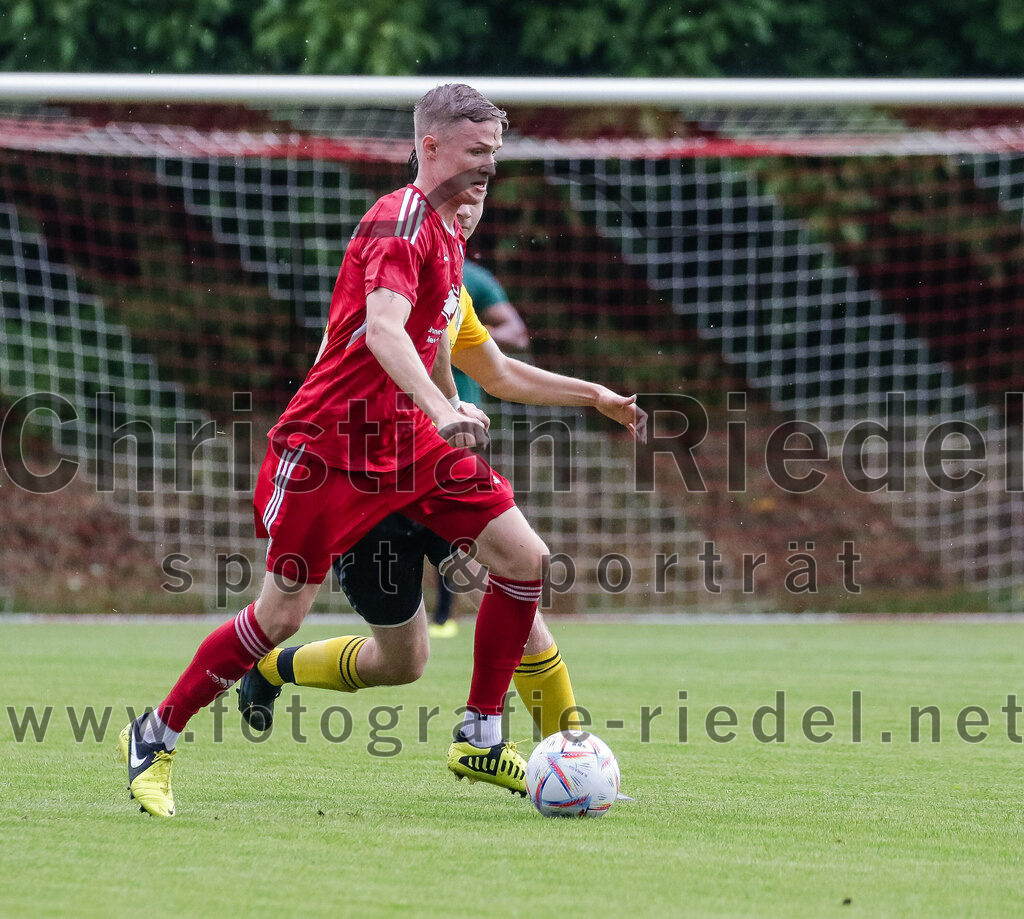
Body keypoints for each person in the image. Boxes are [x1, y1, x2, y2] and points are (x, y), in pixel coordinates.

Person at [117, 83, 617, 818]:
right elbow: (383, 332)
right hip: (328, 450)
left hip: (408, 443)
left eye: (496, 156)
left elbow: (446, 352)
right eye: (478, 154)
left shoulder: (449, 237)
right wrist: (444, 409)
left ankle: (480, 731)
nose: (489, 169)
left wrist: (463, 405)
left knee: (524, 559)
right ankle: (154, 735)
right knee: (277, 618)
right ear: (431, 148)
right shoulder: (398, 219)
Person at [235, 198, 648, 758]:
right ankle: (275, 664)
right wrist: (445, 405)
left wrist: (593, 394)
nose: (469, 207)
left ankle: (567, 758)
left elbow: (497, 371)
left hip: (432, 471)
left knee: (524, 601)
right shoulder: (392, 264)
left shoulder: (455, 289)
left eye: (481, 193)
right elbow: (387, 345)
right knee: (402, 663)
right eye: (461, 193)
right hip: (366, 479)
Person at [430, 257, 529, 637]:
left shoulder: (473, 279)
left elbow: (516, 333)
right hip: (403, 414)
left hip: (460, 415)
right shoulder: (398, 263)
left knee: (449, 522)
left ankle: (443, 614)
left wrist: (464, 331)